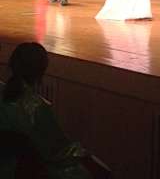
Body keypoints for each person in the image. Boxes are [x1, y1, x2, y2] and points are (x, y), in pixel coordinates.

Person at [0, 42, 91, 179]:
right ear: (41, 71)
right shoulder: (37, 108)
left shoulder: (13, 98)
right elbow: (59, 150)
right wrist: (85, 157)